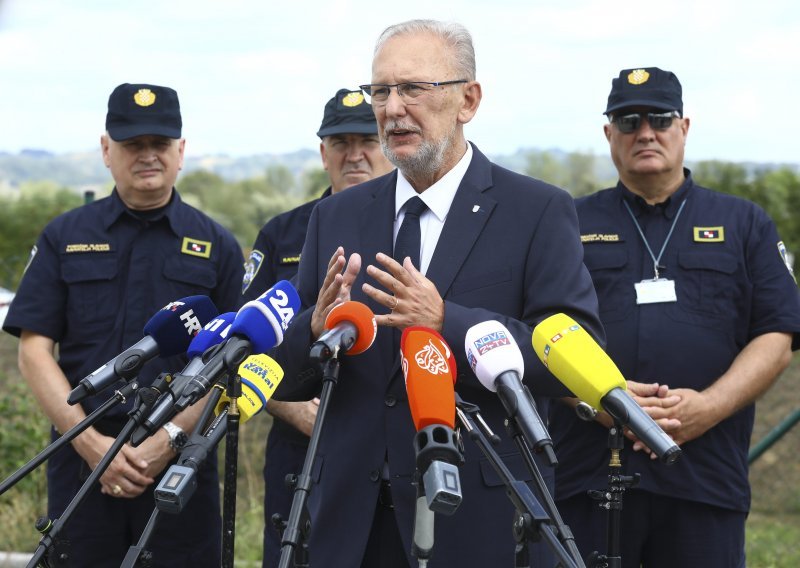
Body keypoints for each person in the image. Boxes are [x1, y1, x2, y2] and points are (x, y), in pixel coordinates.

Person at [272, 19, 603, 567]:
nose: (392, 108)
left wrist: (448, 320)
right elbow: (283, 373)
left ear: (468, 99)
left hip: (479, 520)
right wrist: (313, 331)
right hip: (353, 522)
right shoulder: (337, 215)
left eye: (413, 89)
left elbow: (572, 353)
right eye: (380, 91)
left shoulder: (535, 210)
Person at [549, 67, 800, 567]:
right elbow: (537, 334)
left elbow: (778, 331)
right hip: (591, 476)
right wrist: (603, 404)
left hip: (703, 480)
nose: (645, 132)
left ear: (684, 127)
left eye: (660, 118)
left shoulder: (744, 223)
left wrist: (707, 407)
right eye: (628, 120)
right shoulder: (565, 222)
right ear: (608, 134)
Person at [3, 83, 244, 568]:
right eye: (134, 144)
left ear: (181, 152)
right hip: (82, 456)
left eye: (160, 145)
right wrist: (89, 444)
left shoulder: (217, 245)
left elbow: (230, 361)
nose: (147, 156)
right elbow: (34, 351)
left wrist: (168, 440)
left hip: (183, 462)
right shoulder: (63, 237)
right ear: (106, 150)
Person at [241, 87, 393, 567]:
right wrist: (296, 410)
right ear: (322, 150)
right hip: (297, 450)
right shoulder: (283, 232)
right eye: (340, 142)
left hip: (384, 455)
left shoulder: (414, 227)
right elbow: (247, 346)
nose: (355, 155)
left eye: (367, 140)